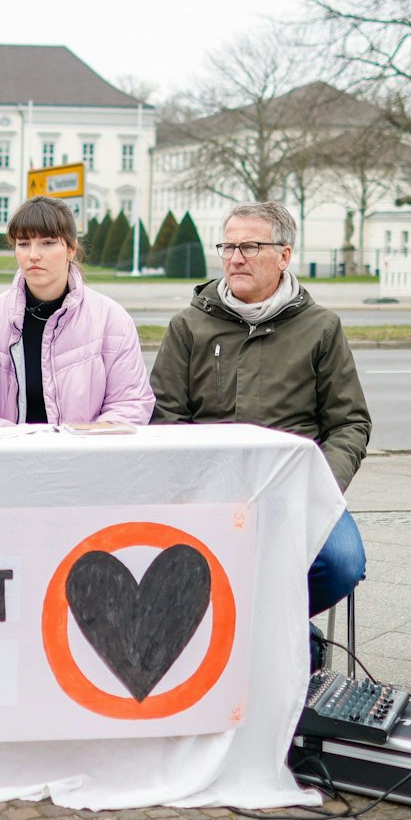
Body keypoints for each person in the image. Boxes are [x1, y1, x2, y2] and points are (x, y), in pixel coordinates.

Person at [149, 201, 373, 670]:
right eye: (228, 246)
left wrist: (320, 483)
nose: (235, 257)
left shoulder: (321, 328)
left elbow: (350, 422)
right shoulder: (190, 326)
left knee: (343, 563)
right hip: (210, 491)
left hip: (297, 488)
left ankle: (262, 628)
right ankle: (282, 636)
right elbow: (166, 415)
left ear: (285, 255)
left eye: (250, 246)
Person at [0, 196, 154, 426]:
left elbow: (130, 404)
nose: (33, 254)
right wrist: (18, 443)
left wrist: (75, 446)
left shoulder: (112, 321)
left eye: (48, 242)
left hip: (85, 459)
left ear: (71, 249)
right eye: (23, 244)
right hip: (10, 458)